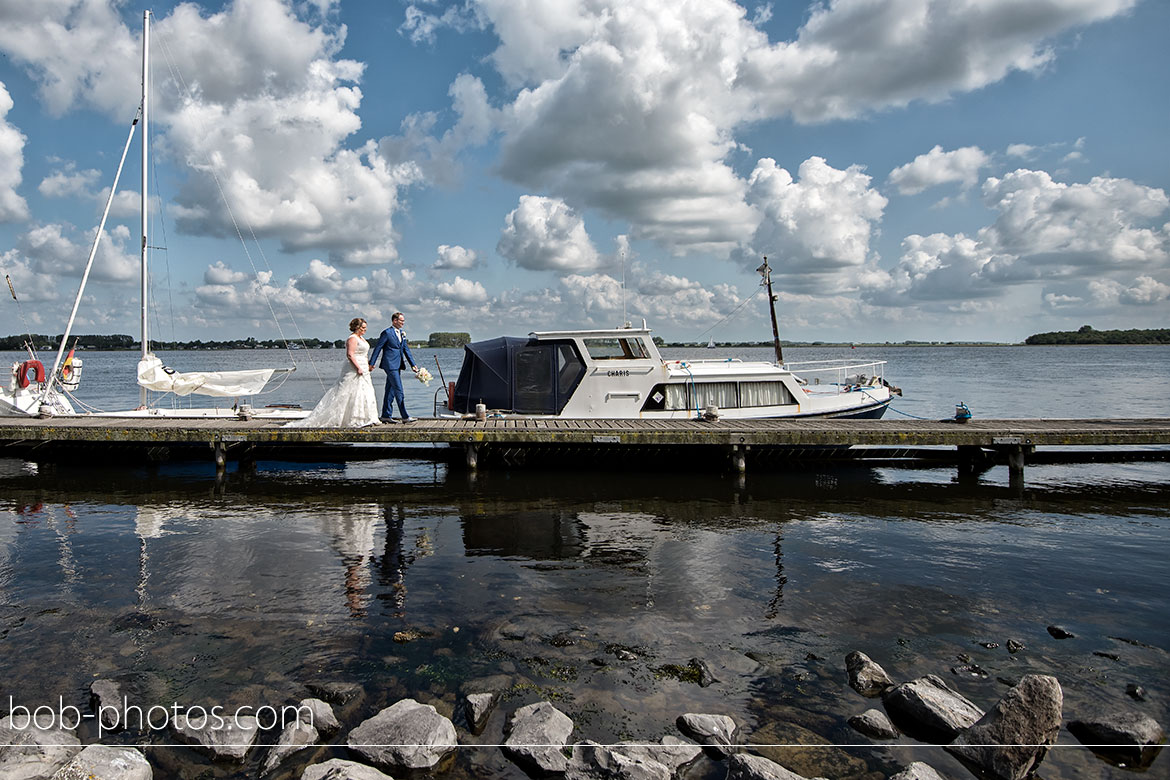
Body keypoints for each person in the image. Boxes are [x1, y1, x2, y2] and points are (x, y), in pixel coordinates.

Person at [285, 318, 380, 427]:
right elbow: (350, 354)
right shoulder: (352, 338)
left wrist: (368, 365)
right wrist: (358, 367)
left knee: (365, 391)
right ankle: (349, 418)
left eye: (365, 328)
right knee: (348, 391)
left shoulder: (361, 338)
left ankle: (366, 417)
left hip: (364, 367)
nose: (365, 330)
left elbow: (364, 353)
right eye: (363, 327)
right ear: (357, 327)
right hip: (354, 367)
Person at [369, 311, 419, 423]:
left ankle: (386, 415)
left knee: (390, 390)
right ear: (394, 321)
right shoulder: (387, 333)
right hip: (390, 364)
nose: (403, 323)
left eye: (403, 321)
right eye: (401, 320)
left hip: (398, 365)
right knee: (399, 389)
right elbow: (378, 348)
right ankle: (405, 416)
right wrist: (372, 363)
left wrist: (413, 365)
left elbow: (406, 350)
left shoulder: (402, 333)